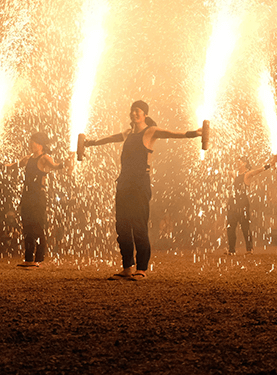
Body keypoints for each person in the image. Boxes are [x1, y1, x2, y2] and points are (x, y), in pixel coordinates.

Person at [84, 100, 202, 280]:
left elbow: (171, 133)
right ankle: (127, 268)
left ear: (145, 114)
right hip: (124, 183)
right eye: (132, 110)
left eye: (137, 110)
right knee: (122, 227)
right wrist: (90, 143)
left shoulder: (151, 131)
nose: (134, 113)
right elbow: (110, 138)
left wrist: (193, 133)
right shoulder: (128, 133)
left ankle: (141, 269)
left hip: (140, 184)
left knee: (138, 225)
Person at [0, 133, 67, 268]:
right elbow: (13, 166)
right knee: (27, 227)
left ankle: (38, 259)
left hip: (38, 196)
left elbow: (55, 166)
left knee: (37, 226)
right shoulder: (27, 158)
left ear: (41, 145)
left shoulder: (45, 158)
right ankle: (28, 259)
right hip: (27, 196)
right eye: (31, 142)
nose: (31, 144)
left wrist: (66, 163)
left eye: (34, 142)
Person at [227, 158, 272, 254]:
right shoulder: (235, 174)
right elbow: (226, 171)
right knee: (230, 226)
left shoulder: (247, 174)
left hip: (242, 203)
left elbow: (258, 171)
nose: (237, 163)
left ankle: (249, 249)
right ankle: (231, 250)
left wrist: (269, 165)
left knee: (245, 226)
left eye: (239, 161)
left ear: (245, 163)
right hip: (233, 203)